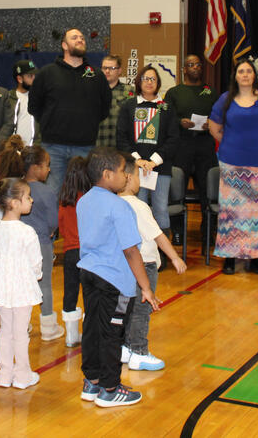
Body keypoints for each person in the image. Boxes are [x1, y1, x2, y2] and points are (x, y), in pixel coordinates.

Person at [76, 147, 160, 408]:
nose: (126, 176)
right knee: (112, 333)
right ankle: (110, 389)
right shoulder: (119, 206)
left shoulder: (84, 201)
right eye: (123, 171)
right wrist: (146, 287)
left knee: (92, 328)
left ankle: (92, 382)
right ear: (107, 174)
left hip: (89, 274)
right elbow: (131, 251)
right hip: (114, 281)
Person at [208, 59, 258, 275]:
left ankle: (257, 259)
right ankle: (230, 258)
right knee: (232, 213)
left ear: (255, 75)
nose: (245, 75)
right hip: (232, 164)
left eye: (249, 71)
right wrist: (233, 145)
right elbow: (214, 128)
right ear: (236, 76)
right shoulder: (226, 99)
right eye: (241, 71)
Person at [118, 153, 186, 371]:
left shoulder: (114, 203)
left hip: (124, 265)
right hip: (144, 265)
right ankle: (139, 352)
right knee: (141, 310)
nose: (140, 181)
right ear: (129, 178)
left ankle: (125, 347)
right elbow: (158, 235)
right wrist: (174, 257)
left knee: (126, 308)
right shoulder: (139, 206)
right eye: (138, 176)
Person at [29, 28, 112, 197]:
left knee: (86, 195)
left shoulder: (96, 75)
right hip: (53, 147)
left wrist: (86, 124)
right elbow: (34, 106)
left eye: (82, 38)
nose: (80, 40)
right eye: (74, 38)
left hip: (85, 146)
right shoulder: (47, 73)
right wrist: (51, 122)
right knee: (52, 194)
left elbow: (104, 108)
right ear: (64, 45)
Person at [0, 177, 43, 389]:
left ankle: (5, 374)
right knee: (20, 333)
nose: (31, 200)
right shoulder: (27, 231)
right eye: (28, 197)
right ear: (15, 203)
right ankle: (23, 375)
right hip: (21, 286)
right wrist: (35, 275)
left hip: (3, 285)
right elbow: (36, 262)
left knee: (5, 331)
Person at [116, 65, 180, 236]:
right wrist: (138, 161)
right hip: (135, 168)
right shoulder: (129, 106)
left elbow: (173, 138)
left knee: (160, 208)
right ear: (139, 82)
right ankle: (140, 248)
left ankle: (161, 250)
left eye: (153, 79)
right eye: (145, 78)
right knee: (138, 207)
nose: (149, 82)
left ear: (158, 83)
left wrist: (153, 161)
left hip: (160, 167)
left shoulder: (166, 107)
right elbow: (121, 137)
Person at [164, 54, 220, 245]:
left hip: (205, 145)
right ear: (184, 70)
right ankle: (177, 232)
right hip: (182, 146)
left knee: (208, 190)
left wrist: (210, 123)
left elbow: (220, 116)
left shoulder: (210, 91)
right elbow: (166, 118)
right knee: (176, 191)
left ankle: (208, 232)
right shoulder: (174, 92)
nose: (195, 67)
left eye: (198, 64)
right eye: (191, 65)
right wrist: (180, 122)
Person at [20, 145, 64, 341]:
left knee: (21, 284)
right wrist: (50, 231)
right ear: (35, 168)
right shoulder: (47, 192)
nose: (49, 169)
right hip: (41, 243)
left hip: (19, 245)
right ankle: (48, 326)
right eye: (46, 165)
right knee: (44, 284)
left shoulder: (15, 187)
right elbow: (53, 221)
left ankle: (22, 325)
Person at [57, 156, 91, 347]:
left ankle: (70, 335)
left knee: (70, 292)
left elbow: (61, 227)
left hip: (70, 251)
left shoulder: (65, 200)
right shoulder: (89, 199)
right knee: (89, 292)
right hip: (87, 252)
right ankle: (88, 332)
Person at [96, 54, 134, 149]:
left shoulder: (129, 91)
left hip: (120, 146)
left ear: (119, 70)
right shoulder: (93, 90)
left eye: (112, 68)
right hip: (97, 144)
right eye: (104, 68)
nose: (107, 71)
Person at [9, 59, 38, 146]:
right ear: (20, 79)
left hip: (35, 149)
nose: (34, 79)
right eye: (30, 76)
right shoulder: (8, 98)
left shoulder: (40, 97)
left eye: (35, 75)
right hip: (14, 149)